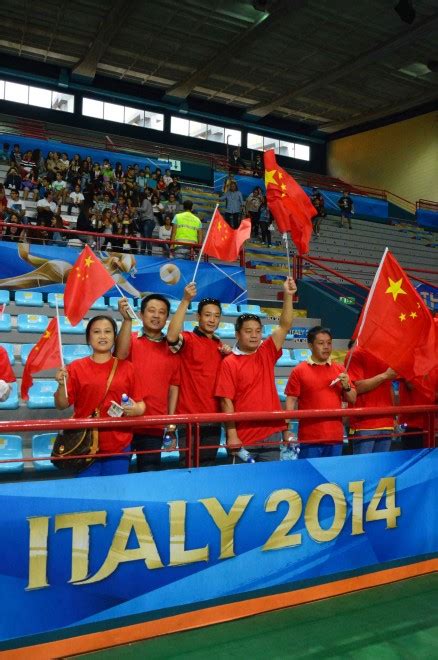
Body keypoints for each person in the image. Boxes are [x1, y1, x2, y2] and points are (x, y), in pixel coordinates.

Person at [215, 278, 296, 462]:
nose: (254, 335)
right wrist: (232, 434)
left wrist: (288, 296)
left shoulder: (266, 351)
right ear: (237, 334)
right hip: (244, 437)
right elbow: (226, 402)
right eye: (248, 331)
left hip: (272, 434)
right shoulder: (229, 362)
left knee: (271, 487)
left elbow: (285, 325)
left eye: (258, 331)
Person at [54, 315, 145, 477]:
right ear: (89, 337)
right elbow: (61, 404)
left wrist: (134, 409)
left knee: (116, 495)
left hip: (118, 445)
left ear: (114, 337)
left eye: (108, 332)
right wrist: (61, 385)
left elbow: (141, 405)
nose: (102, 336)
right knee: (87, 497)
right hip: (84, 445)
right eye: (97, 332)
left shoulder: (128, 368)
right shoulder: (75, 367)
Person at [166, 283, 231, 467]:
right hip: (189, 420)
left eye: (216, 316)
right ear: (198, 317)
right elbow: (171, 336)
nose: (212, 320)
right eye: (208, 315)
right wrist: (186, 299)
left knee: (208, 467)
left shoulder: (220, 346)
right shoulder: (188, 339)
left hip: (214, 420)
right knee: (188, 467)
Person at [116, 295, 180, 472]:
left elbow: (174, 387)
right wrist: (126, 320)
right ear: (141, 314)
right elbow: (119, 356)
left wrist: (171, 422)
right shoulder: (130, 340)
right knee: (119, 473)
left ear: (167, 318)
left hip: (154, 423)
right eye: (151, 311)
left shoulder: (173, 349)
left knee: (149, 474)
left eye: (162, 312)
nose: (156, 316)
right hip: (124, 422)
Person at [285, 326, 356, 459]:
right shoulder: (299, 371)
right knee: (309, 478)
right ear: (310, 345)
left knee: (332, 478)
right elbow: (291, 401)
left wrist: (346, 386)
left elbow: (352, 399)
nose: (326, 347)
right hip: (309, 439)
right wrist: (286, 429)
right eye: (321, 343)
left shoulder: (340, 369)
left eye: (329, 343)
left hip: (335, 437)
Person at [346, 345, 397, 454]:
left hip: (386, 422)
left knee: (382, 469)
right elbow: (356, 387)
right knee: (363, 469)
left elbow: (390, 386)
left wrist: (393, 416)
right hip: (364, 424)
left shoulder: (387, 354)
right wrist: (384, 376)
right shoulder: (355, 353)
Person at [397, 369, 438, 450]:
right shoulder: (408, 362)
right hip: (411, 425)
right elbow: (411, 385)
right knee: (412, 459)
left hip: (433, 425)